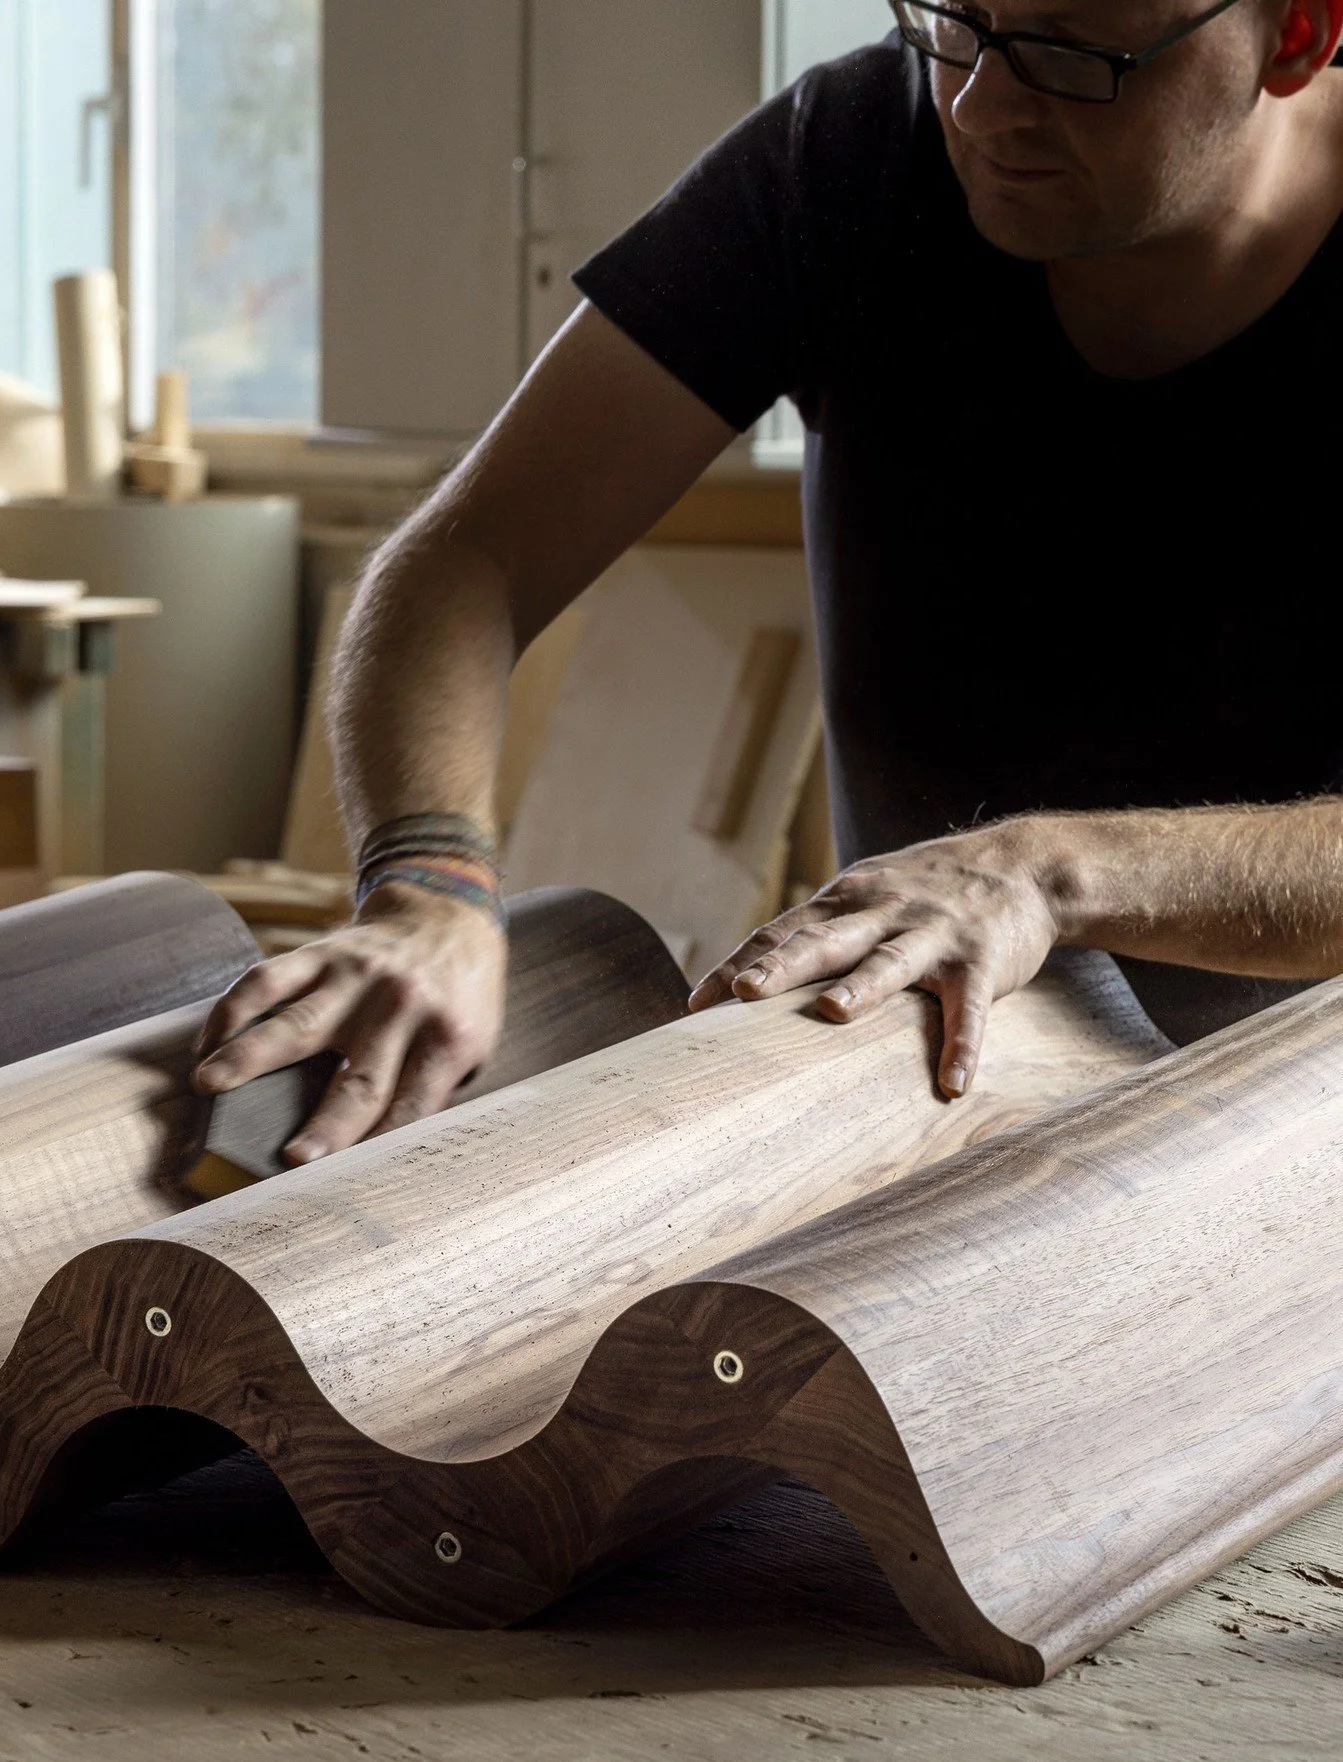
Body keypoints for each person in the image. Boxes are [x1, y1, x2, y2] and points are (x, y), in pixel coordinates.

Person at [195, 0, 1343, 1162]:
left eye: (1068, 53)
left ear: (1294, 37)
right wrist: (428, 885)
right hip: (927, 1099)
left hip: (1296, 1143)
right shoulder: (849, 153)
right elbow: (470, 556)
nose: (977, 101)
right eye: (953, 15)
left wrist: (1046, 875)